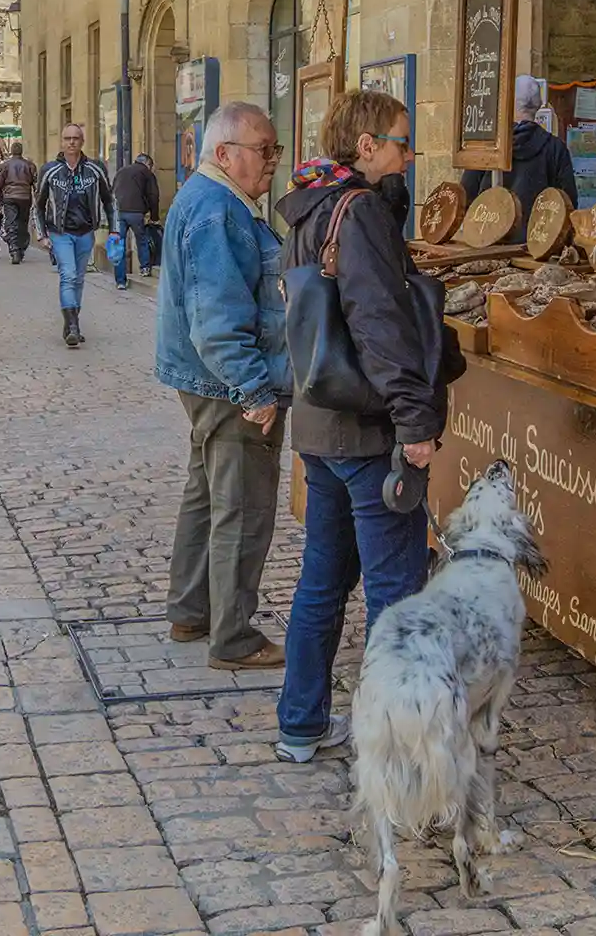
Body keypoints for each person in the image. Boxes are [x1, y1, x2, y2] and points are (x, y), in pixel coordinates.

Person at [273, 89, 445, 763]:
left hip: (320, 424)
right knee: (394, 592)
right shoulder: (360, 210)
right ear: (368, 144)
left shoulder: (306, 205)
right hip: (369, 428)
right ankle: (392, 747)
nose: (409, 156)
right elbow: (380, 326)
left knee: (323, 578)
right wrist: (414, 421)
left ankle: (301, 723)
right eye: (402, 142)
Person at [156, 102, 290, 674]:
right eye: (264, 151)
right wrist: (255, 389)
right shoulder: (217, 211)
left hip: (206, 379)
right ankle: (232, 636)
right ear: (225, 153)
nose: (272, 163)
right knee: (241, 505)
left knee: (206, 494)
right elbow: (216, 319)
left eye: (274, 150)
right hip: (226, 383)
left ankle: (191, 609)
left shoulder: (212, 199)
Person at [35, 123, 118, 347]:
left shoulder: (95, 168)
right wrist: (42, 234)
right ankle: (73, 326)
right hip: (60, 233)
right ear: (62, 142)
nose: (71, 142)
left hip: (85, 233)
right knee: (68, 275)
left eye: (76, 138)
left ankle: (71, 320)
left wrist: (115, 230)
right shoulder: (50, 170)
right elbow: (38, 205)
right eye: (67, 138)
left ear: (82, 142)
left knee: (79, 278)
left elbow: (109, 201)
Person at [499, 75, 577, 243]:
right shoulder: (556, 148)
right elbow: (568, 203)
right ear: (540, 105)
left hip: (490, 242)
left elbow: (467, 193)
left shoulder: (492, 146)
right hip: (537, 244)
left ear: (510, 102)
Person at [112, 152, 162, 288]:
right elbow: (153, 195)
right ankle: (145, 268)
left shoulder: (121, 171)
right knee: (142, 240)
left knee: (118, 245)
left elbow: (113, 190)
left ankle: (120, 281)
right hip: (136, 212)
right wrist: (154, 217)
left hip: (118, 212)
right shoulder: (146, 173)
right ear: (148, 164)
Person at [0, 142, 38, 264]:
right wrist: (38, 199)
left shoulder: (5, 165)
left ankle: (14, 250)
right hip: (25, 197)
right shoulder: (30, 165)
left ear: (12, 151)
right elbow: (36, 184)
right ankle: (21, 248)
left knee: (11, 223)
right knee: (23, 223)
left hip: (9, 197)